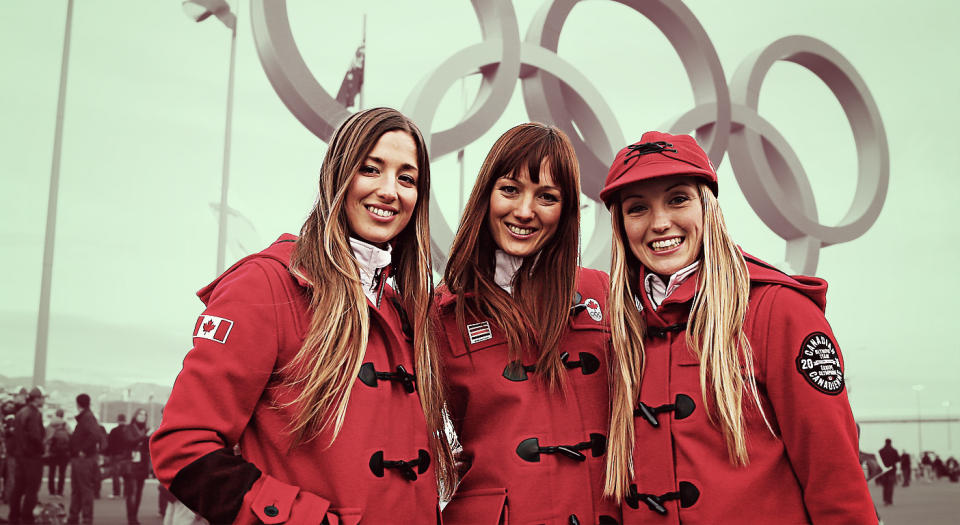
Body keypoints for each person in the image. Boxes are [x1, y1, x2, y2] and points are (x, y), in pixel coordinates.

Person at [150, 107, 455, 524]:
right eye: (371, 169)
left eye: (407, 178)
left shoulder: (403, 311)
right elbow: (183, 447)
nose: (389, 190)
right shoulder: (264, 285)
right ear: (337, 176)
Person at [600, 132, 877, 522]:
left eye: (678, 199)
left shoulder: (779, 311)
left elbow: (835, 477)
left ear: (707, 207)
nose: (660, 223)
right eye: (637, 208)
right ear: (621, 225)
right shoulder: (620, 329)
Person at [437, 123, 618, 523]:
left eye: (547, 196)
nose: (524, 211)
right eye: (510, 189)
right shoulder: (439, 314)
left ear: (566, 209)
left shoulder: (603, 296)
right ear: (486, 194)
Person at [6, 387, 45, 524]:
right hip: (32, 456)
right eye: (42, 398)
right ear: (37, 399)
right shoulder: (34, 413)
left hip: (20, 455)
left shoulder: (21, 412)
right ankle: (27, 517)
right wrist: (42, 448)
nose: (43, 400)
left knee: (18, 487)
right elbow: (35, 435)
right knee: (32, 488)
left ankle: (14, 516)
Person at [67, 393, 100, 525]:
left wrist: (82, 450)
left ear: (77, 404)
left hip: (82, 459)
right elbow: (95, 435)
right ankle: (75, 517)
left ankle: (84, 518)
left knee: (83, 489)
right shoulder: (88, 417)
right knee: (79, 488)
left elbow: (94, 435)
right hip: (82, 458)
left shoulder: (86, 418)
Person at [118, 409, 150, 525]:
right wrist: (145, 436)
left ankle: (134, 517)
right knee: (132, 492)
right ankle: (131, 519)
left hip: (142, 464)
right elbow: (129, 441)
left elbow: (147, 448)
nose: (143, 416)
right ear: (135, 415)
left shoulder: (146, 429)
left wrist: (149, 438)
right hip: (131, 464)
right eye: (140, 414)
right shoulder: (128, 428)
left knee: (139, 492)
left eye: (145, 414)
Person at [45, 409, 71, 497]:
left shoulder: (50, 425)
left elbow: (47, 439)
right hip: (64, 452)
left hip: (53, 452)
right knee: (62, 473)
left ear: (56, 414)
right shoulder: (66, 424)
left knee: (51, 472)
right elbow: (71, 435)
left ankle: (51, 491)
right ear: (63, 415)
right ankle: (60, 491)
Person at [106, 414, 127, 499]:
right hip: (126, 456)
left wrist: (108, 454)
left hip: (116, 455)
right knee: (126, 475)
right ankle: (126, 493)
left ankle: (116, 493)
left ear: (118, 420)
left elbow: (110, 444)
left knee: (116, 475)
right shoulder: (128, 430)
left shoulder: (114, 431)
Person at [878, 438, 899, 505]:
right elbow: (898, 459)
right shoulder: (894, 450)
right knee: (890, 486)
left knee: (885, 486)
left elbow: (879, 460)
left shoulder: (881, 451)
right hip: (892, 470)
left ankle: (885, 500)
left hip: (884, 471)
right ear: (890, 442)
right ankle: (889, 500)